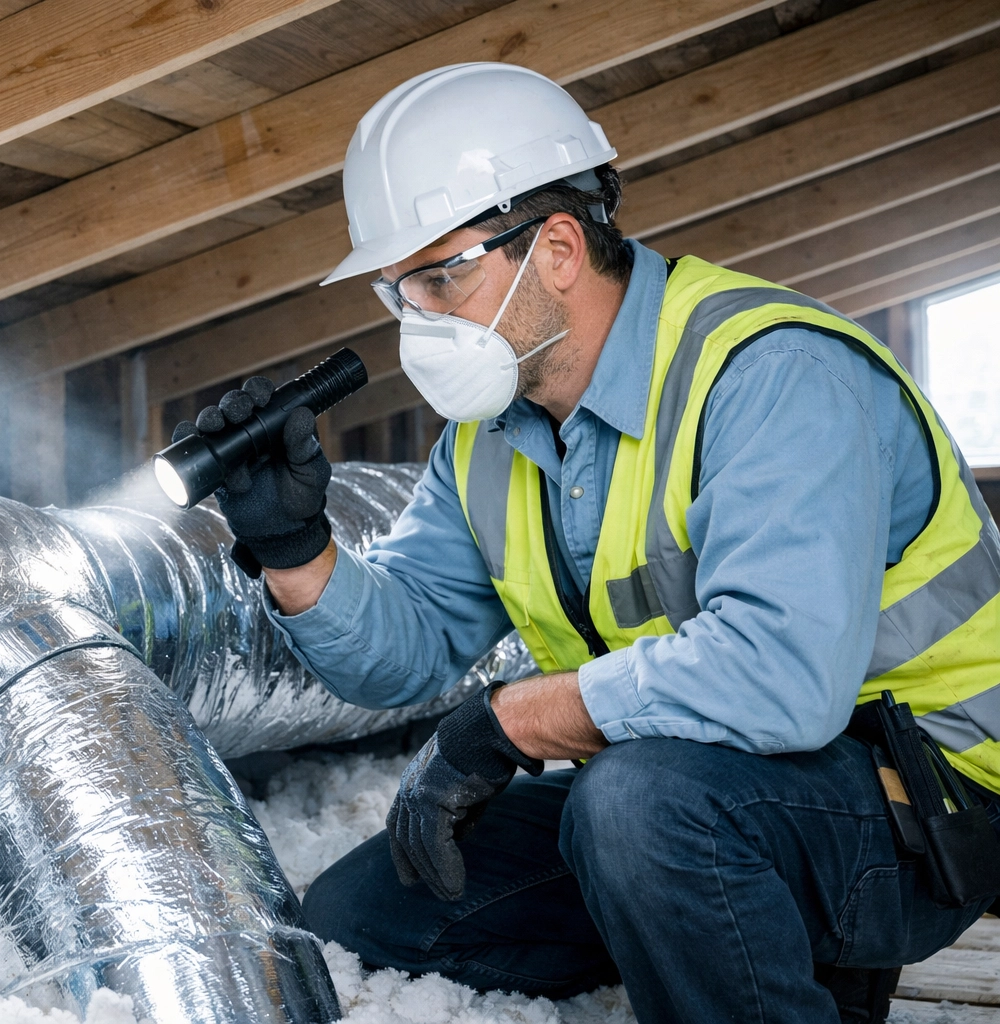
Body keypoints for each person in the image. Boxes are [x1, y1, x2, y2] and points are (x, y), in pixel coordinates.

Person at [172, 63, 1000, 1023]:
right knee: (369, 915)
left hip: (922, 807)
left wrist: (509, 722)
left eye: (443, 278)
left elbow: (782, 678)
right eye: (401, 293)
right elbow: (404, 651)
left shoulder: (772, 375)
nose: (421, 322)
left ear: (558, 246)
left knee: (640, 807)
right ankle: (726, 942)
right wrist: (294, 549)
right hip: (696, 782)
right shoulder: (486, 442)